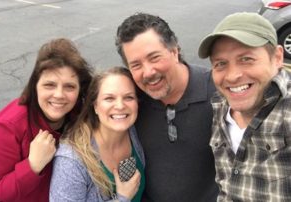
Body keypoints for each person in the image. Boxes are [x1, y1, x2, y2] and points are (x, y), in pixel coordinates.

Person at [115, 13, 218, 201]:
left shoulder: (218, 93)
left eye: (154, 58)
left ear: (174, 51)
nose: (148, 72)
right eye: (136, 65)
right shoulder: (130, 104)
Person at [198, 12, 289, 201]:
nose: (232, 76)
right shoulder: (220, 107)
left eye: (246, 59)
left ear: (278, 57)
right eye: (221, 64)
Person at [0, 38, 93, 202]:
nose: (59, 95)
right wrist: (32, 166)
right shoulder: (7, 126)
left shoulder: (79, 116)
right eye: (49, 85)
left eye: (69, 86)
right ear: (35, 86)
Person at [49, 66, 145, 202]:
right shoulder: (71, 161)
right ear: (95, 106)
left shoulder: (132, 131)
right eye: (109, 98)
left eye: (128, 97)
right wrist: (123, 199)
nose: (120, 106)